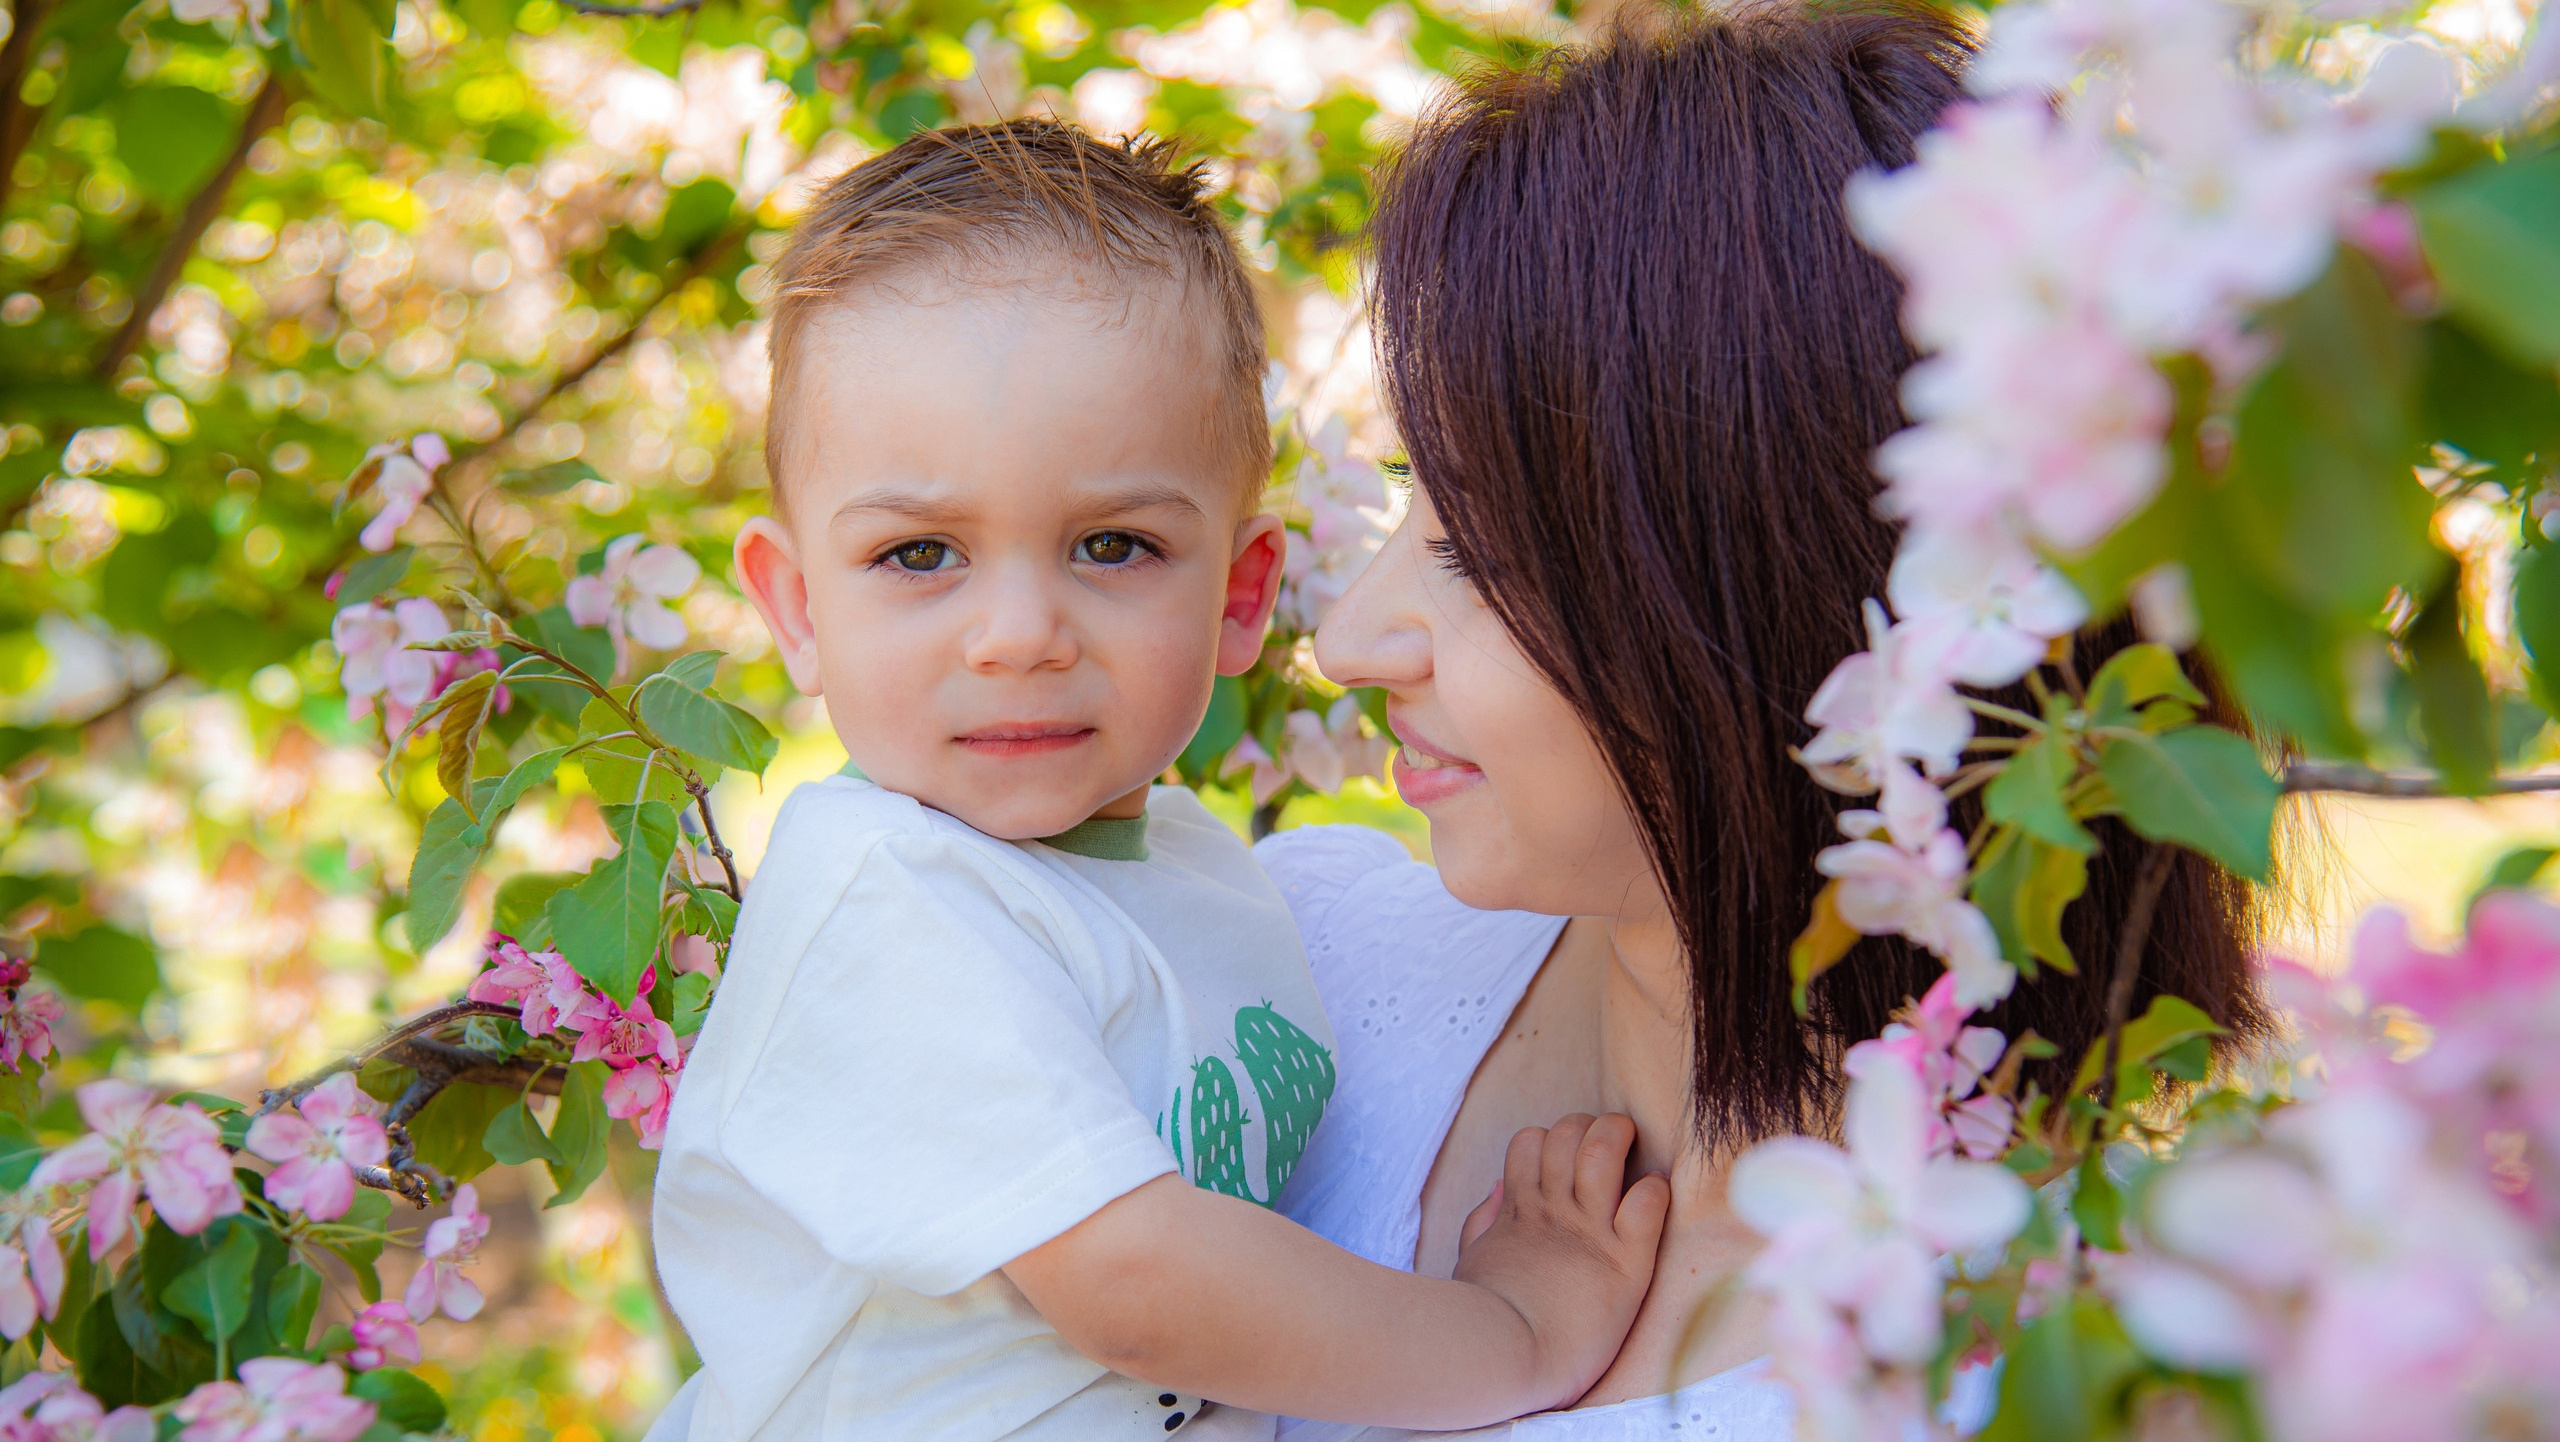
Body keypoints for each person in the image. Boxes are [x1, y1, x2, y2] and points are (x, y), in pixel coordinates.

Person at [1259, 7, 2269, 1438]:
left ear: (1766, 597)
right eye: (1408, 495)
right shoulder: (1286, 983)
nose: (1345, 637)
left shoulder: (2037, 1373)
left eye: (1477, 549)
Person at [647, 120, 1669, 1442]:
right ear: (793, 606)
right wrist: (1512, 1332)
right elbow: (1132, 1285)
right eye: (918, 555)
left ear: (1242, 596)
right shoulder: (884, 906)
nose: (1019, 632)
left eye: (1112, 544)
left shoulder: (1207, 877)